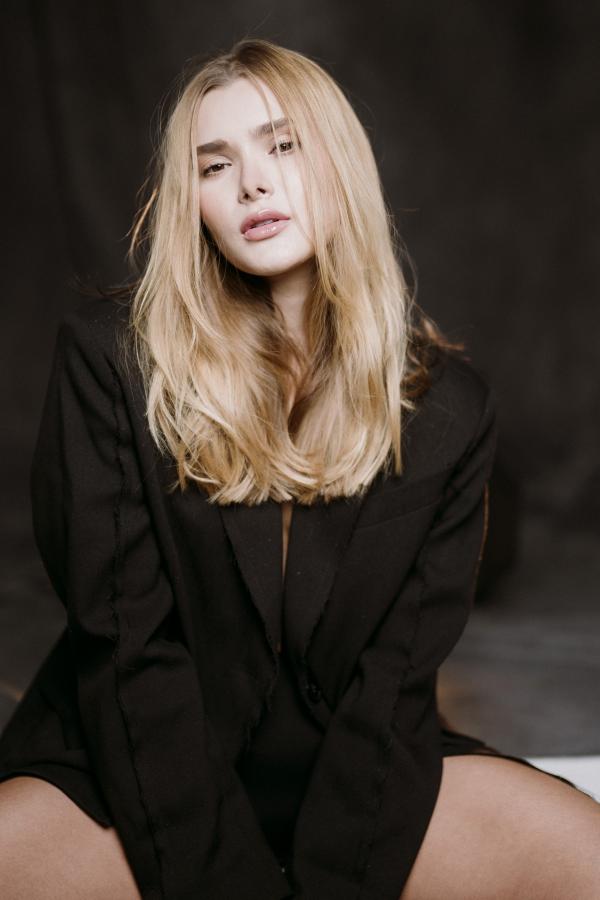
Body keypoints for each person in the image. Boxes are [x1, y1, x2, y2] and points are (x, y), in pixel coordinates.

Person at [0, 37, 599, 900]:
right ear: (193, 204)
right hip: (139, 769)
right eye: (215, 165)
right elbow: (127, 656)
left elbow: (395, 681)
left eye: (283, 146)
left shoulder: (448, 407)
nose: (252, 184)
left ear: (340, 164)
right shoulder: (112, 364)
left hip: (353, 776)